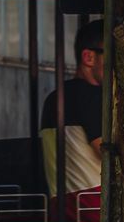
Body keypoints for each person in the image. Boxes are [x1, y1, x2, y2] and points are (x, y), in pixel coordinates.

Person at [41, 19, 106, 205]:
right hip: (95, 210)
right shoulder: (91, 96)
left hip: (66, 210)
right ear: (88, 57)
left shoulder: (56, 97)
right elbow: (114, 156)